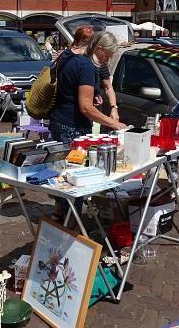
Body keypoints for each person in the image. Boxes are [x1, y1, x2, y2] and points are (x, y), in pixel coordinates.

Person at [48, 31, 126, 223]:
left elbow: (77, 95)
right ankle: (71, 227)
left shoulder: (71, 58)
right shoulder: (86, 66)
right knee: (76, 181)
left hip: (60, 122)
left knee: (63, 174)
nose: (108, 59)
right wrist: (115, 124)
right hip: (72, 127)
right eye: (107, 55)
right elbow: (86, 107)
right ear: (98, 49)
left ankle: (59, 217)